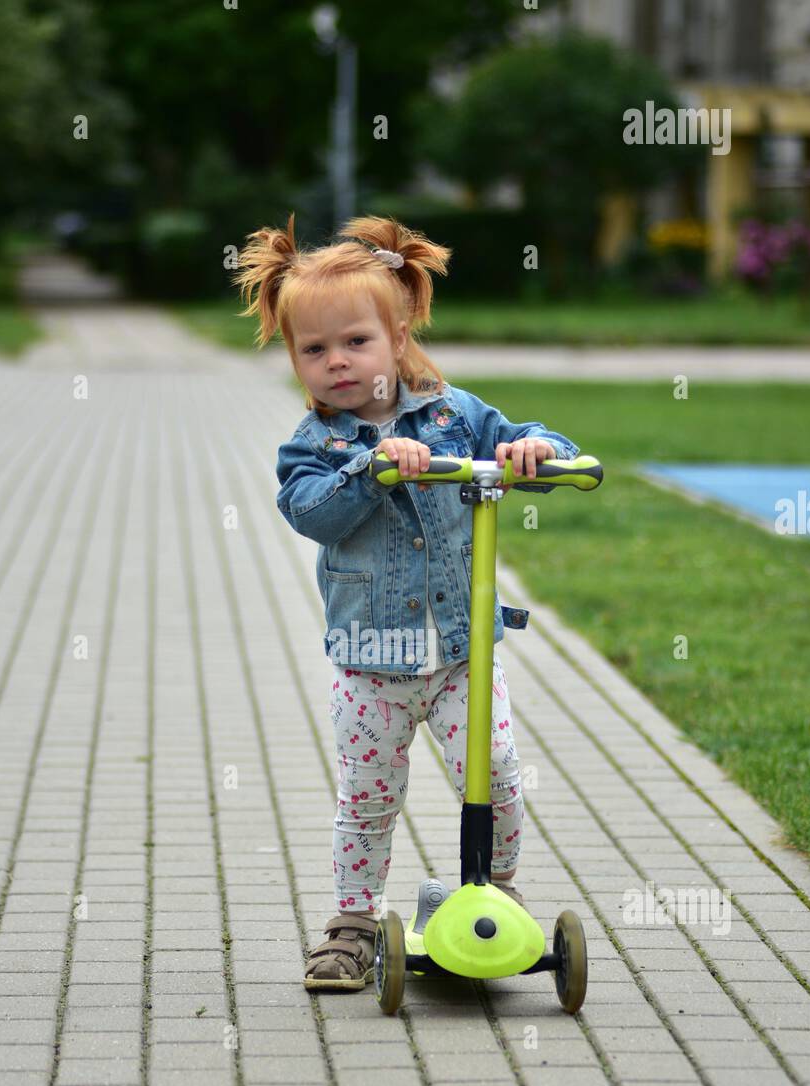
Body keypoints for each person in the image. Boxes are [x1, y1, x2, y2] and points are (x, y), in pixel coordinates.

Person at [232, 214, 579, 990]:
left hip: (462, 658)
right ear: (294, 358)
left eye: (354, 341)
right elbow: (309, 511)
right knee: (368, 797)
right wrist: (372, 467)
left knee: (497, 779)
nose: (336, 362)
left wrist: (535, 451)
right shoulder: (316, 444)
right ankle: (353, 924)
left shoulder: (458, 415)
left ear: (397, 332)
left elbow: (531, 433)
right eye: (313, 350)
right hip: (370, 664)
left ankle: (494, 898)